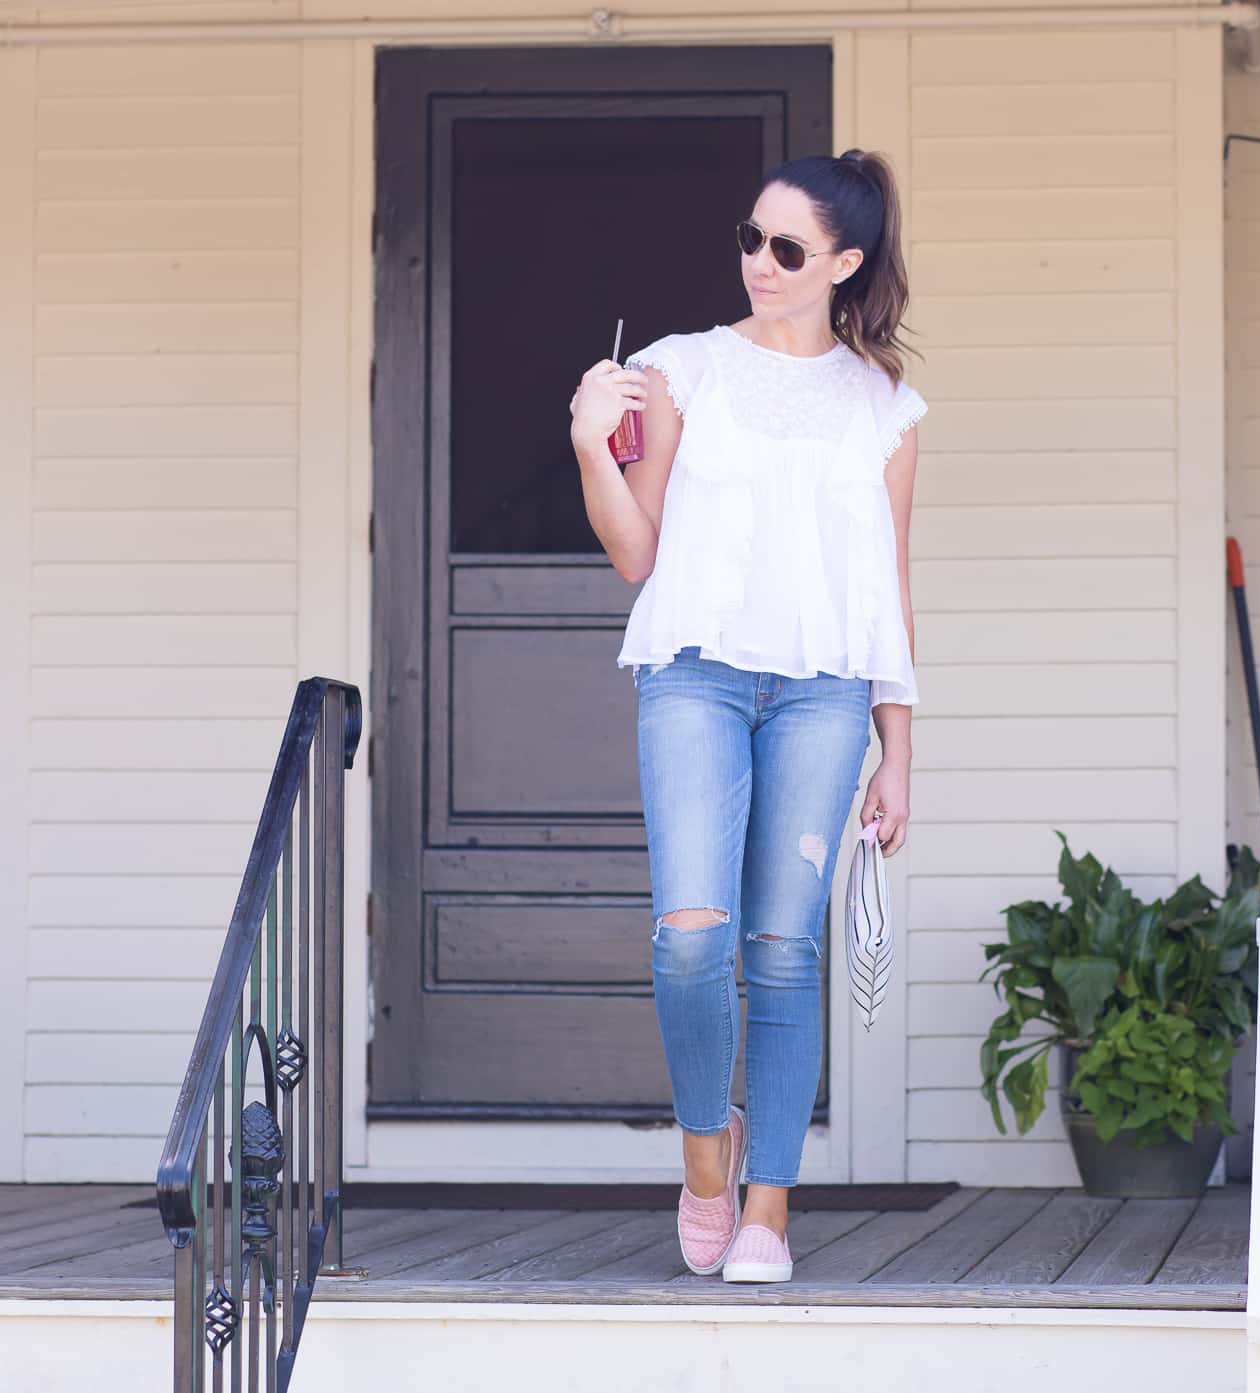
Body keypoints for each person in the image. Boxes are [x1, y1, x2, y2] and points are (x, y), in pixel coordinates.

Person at [566, 149, 926, 1284]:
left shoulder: (884, 408)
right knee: (691, 939)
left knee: (782, 949)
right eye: (749, 239)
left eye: (787, 249)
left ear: (845, 263)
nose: (759, 264)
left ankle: (768, 1206)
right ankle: (706, 1154)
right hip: (695, 675)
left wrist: (899, 749)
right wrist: (589, 443)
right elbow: (638, 553)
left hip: (825, 691)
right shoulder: (682, 371)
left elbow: (890, 585)